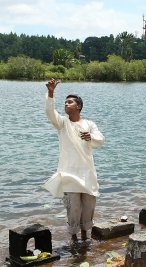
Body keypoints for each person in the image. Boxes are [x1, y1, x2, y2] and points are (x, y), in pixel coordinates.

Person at [43, 79, 105, 242]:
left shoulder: (89, 124)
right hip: (69, 175)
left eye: (70, 102)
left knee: (88, 208)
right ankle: (74, 239)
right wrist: (50, 93)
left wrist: (90, 136)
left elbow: (100, 140)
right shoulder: (63, 123)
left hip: (88, 174)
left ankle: (85, 237)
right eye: (65, 102)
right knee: (73, 209)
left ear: (78, 106)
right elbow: (50, 112)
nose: (66, 104)